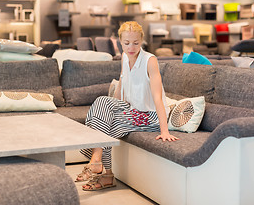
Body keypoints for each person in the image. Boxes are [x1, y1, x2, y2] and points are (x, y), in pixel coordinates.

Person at [76, 21, 179, 191]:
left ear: (142, 41)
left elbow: (158, 98)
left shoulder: (150, 61)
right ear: (120, 42)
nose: (131, 47)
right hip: (131, 110)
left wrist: (164, 130)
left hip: (149, 115)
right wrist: (113, 106)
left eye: (136, 43)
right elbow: (122, 82)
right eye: (126, 43)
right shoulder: (124, 57)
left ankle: (100, 165)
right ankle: (101, 168)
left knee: (106, 124)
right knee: (102, 104)